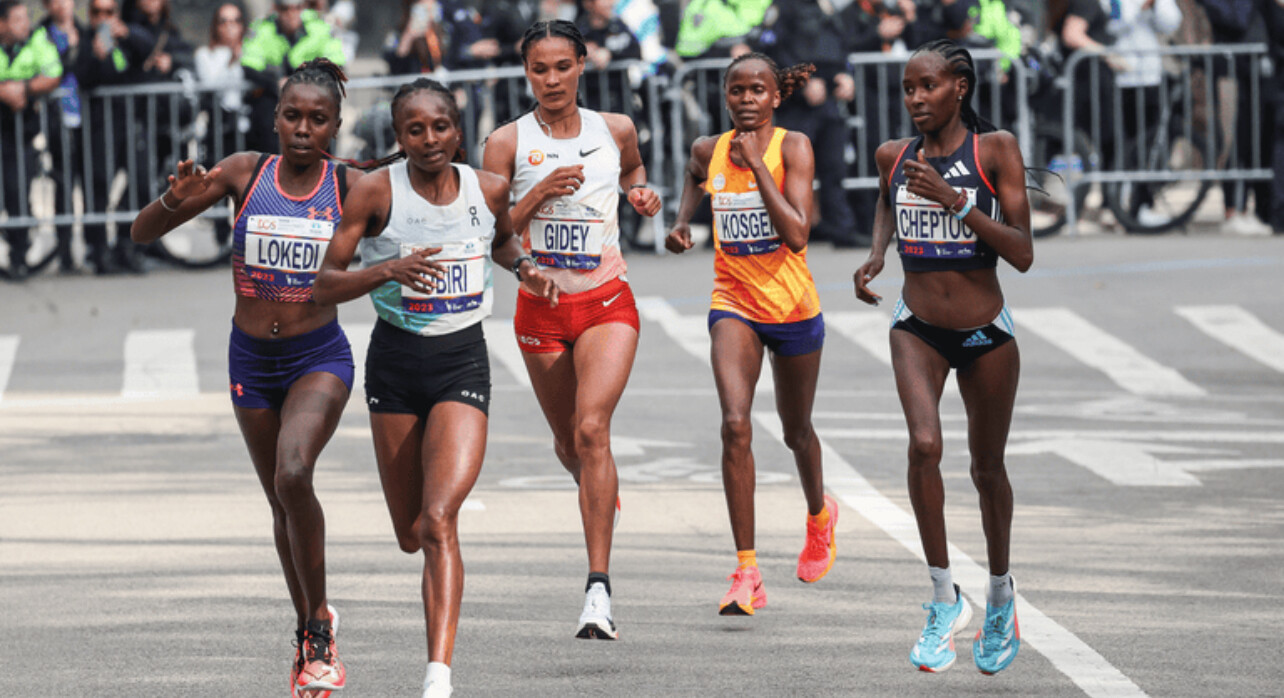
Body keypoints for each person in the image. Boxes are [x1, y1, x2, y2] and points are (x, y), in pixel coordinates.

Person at [313, 78, 557, 698]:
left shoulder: (488, 188)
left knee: (440, 520)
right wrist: (387, 270)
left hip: (461, 363)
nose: (429, 139)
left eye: (440, 127)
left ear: (457, 129)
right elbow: (325, 284)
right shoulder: (376, 191)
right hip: (395, 365)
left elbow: (501, 240)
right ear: (399, 136)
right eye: (415, 129)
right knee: (410, 533)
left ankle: (437, 678)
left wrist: (526, 267)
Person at [129, 58, 359, 697]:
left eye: (318, 119)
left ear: (336, 126)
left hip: (318, 356)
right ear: (275, 117)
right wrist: (175, 197)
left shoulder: (351, 185)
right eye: (293, 115)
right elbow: (142, 233)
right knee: (280, 502)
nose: (304, 129)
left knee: (293, 473)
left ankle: (319, 631)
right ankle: (308, 626)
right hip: (251, 360)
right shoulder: (243, 173)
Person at [852, 39, 1032, 674]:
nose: (916, 98)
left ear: (960, 87)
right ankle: (941, 597)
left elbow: (1022, 251)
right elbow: (885, 197)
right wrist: (877, 253)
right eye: (908, 88)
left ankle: (1001, 595)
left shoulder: (995, 151)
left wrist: (955, 200)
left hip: (986, 332)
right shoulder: (894, 156)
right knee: (924, 446)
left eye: (927, 86)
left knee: (988, 469)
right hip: (917, 327)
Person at [480, 19, 662, 640]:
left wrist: (641, 194)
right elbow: (491, 233)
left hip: (607, 301)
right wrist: (538, 197)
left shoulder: (615, 128)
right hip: (541, 311)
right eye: (540, 69)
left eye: (563, 66)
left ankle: (597, 592)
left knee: (591, 429)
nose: (552, 80)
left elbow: (635, 171)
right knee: (568, 444)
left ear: (582, 65)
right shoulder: (506, 142)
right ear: (525, 73)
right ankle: (600, 492)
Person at [664, 52, 837, 616]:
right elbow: (695, 176)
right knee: (735, 424)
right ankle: (747, 571)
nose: (745, 100)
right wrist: (683, 220)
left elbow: (797, 233)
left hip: (792, 307)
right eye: (736, 91)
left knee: (796, 431)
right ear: (725, 96)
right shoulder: (707, 149)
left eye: (757, 90)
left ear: (775, 97)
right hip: (733, 301)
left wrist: (758, 167)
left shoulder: (793, 147)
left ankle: (819, 515)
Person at [82, 0, 155, 274]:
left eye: (109, 12)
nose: (103, 18)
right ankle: (99, 249)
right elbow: (81, 78)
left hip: (130, 121)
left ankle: (127, 243)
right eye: (97, 12)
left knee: (141, 183)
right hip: (100, 126)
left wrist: (127, 33)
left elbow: (147, 48)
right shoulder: (86, 40)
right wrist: (95, 56)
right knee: (99, 188)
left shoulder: (127, 35)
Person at [0, 0, 63, 281]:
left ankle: (18, 257)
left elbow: (53, 73)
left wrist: (23, 89)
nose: (25, 24)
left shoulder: (37, 39)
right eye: (17, 20)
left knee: (17, 193)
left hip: (20, 133)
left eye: (25, 18)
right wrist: (3, 92)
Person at [241, 0, 345, 153]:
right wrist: (275, 82)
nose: (291, 14)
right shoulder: (262, 28)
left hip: (312, 97)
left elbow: (336, 63)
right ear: (276, 8)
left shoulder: (320, 26)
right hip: (274, 99)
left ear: (303, 7)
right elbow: (249, 64)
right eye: (284, 8)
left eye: (297, 8)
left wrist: (301, 82)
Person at [39, 0, 89, 274]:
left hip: (87, 117)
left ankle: (94, 249)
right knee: (64, 185)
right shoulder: (41, 34)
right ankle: (65, 251)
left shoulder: (86, 30)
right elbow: (51, 71)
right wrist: (70, 50)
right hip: (57, 118)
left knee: (91, 184)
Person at [195, 2, 248, 247]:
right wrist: (232, 62)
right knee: (220, 182)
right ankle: (221, 235)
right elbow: (211, 84)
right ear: (216, 26)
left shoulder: (251, 51)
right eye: (224, 21)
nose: (230, 27)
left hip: (244, 124)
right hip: (219, 125)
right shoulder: (205, 55)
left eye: (235, 21)